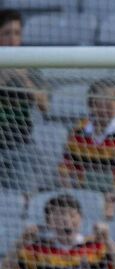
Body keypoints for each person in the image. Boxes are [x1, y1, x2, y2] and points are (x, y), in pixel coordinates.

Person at [58, 79, 115, 219]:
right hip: (84, 193)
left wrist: (114, 194)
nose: (103, 109)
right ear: (90, 105)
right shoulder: (79, 129)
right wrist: (71, 193)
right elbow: (65, 168)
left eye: (109, 104)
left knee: (107, 213)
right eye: (99, 104)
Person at [0, 10, 49, 193]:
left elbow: (45, 106)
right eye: (7, 33)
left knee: (23, 196)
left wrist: (23, 78)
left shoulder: (29, 65)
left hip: (20, 145)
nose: (13, 39)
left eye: (17, 33)